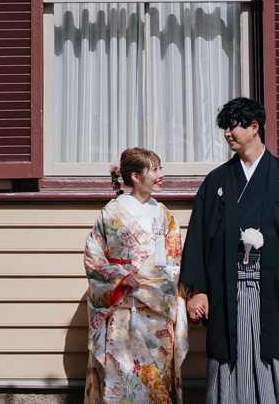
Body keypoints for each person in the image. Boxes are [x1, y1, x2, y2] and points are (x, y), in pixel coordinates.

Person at [180, 97, 279, 404]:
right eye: (224, 129)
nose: (226, 134)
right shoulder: (216, 182)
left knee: (271, 348)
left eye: (232, 127)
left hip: (272, 287)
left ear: (254, 126)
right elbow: (199, 239)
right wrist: (198, 290)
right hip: (225, 287)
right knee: (229, 351)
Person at [83, 147, 190, 404]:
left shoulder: (164, 215)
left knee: (157, 375)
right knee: (120, 372)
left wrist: (161, 283)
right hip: (123, 307)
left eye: (160, 168)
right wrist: (119, 276)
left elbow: (176, 258)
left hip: (158, 312)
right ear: (135, 177)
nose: (161, 174)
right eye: (155, 169)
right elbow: (94, 256)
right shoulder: (111, 213)